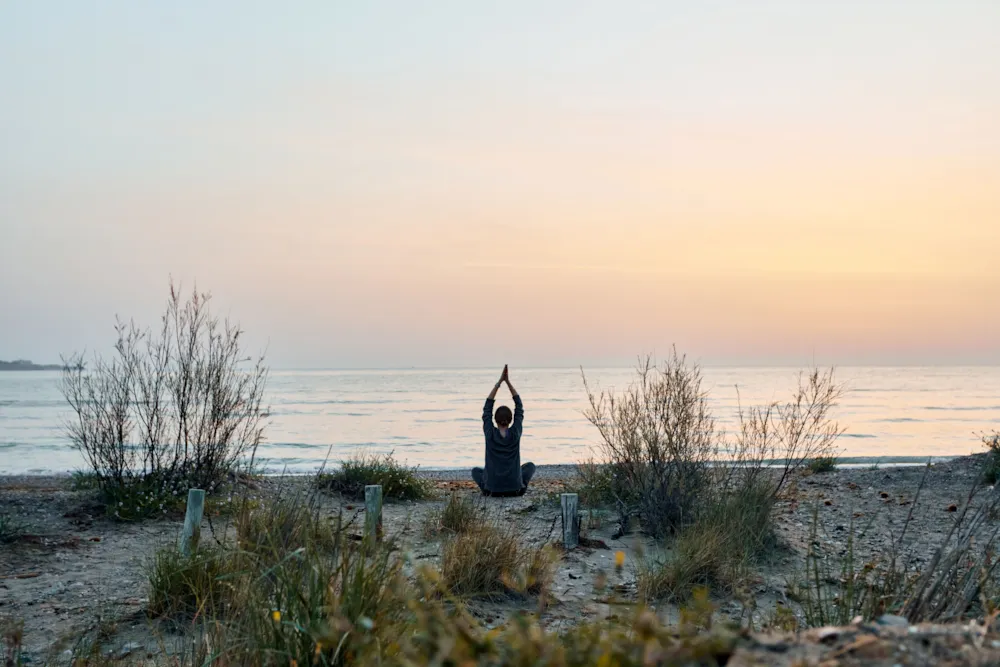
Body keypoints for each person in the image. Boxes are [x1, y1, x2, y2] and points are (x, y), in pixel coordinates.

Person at [472, 365, 535, 496]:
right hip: (515, 489)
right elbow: (519, 406)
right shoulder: (515, 433)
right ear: (511, 419)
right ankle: (521, 487)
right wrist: (508, 383)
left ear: (494, 419)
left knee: (476, 471)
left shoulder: (490, 433)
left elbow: (487, 408)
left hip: (492, 490)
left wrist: (499, 383)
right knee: (530, 467)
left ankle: (487, 490)